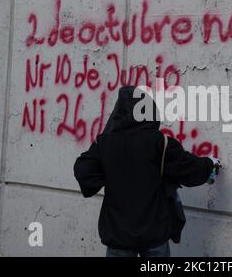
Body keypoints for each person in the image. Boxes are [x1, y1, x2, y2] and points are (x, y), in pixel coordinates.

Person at [73, 85, 221, 257]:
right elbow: (188, 168)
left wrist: (108, 160)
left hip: (118, 235)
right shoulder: (158, 143)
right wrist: (209, 164)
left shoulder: (105, 144)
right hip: (153, 233)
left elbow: (84, 170)